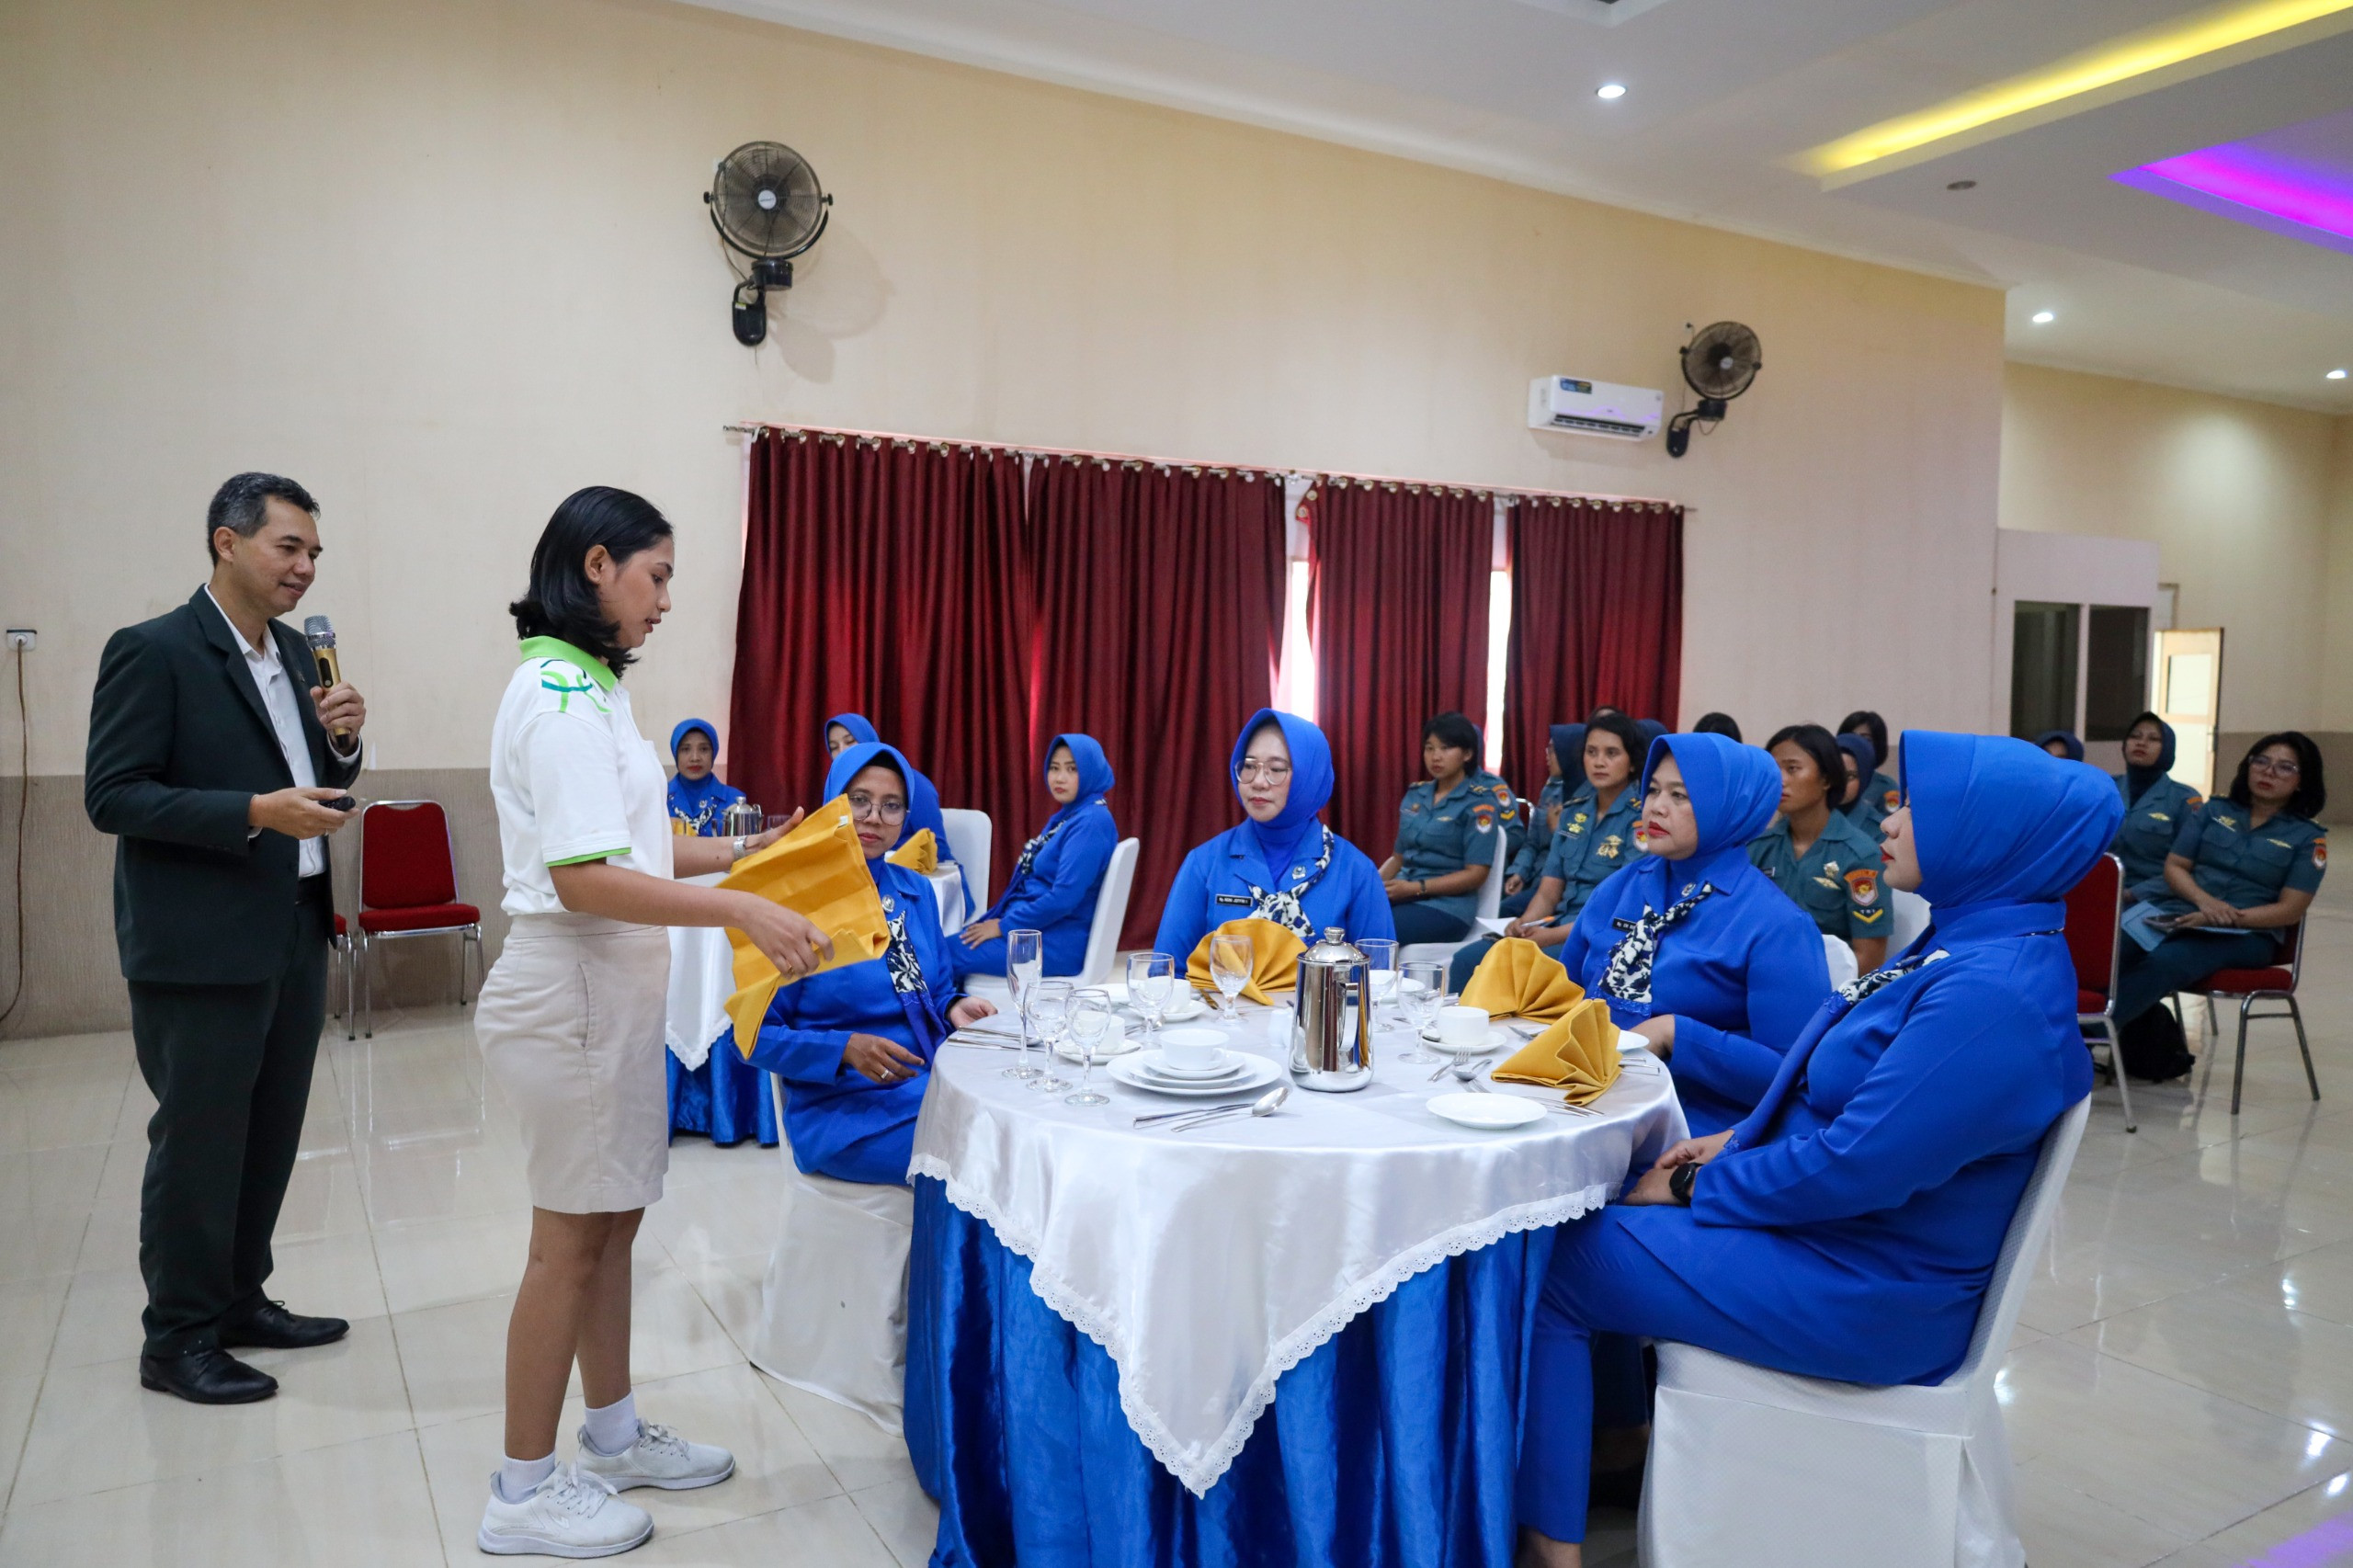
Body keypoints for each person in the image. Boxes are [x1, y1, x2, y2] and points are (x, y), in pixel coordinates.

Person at [1514, 733, 2120, 1563]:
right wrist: (1730, 1144)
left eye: (1917, 809)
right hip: (1848, 1240)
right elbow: (1842, 1108)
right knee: (1590, 1219)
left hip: (1871, 1286)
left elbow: (1855, 1166)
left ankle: (1550, 1545)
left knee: (1553, 1259)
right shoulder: (1969, 944)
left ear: (1987, 836)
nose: (1889, 822)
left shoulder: (1991, 993)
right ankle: (1606, 1452)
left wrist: (1695, 1188)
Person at [473, 486, 831, 1557]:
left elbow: (635, 841)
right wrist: (741, 909)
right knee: (568, 1243)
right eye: (657, 575)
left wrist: (754, 851)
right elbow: (584, 877)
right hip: (574, 986)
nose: (666, 599)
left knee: (612, 1224)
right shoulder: (557, 696)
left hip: (609, 989)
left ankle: (615, 1433)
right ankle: (522, 1490)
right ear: (597, 564)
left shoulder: (594, 685)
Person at [84, 472, 368, 1406]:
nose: (306, 566)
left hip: (292, 924)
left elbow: (313, 783)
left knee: (270, 1132)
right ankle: (176, 1338)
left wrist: (344, 744)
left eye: (314, 552)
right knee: (200, 1142)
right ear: (227, 542)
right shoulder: (155, 650)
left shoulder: (297, 653)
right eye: (289, 547)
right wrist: (252, 810)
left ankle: (241, 1300)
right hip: (199, 942)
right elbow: (113, 794)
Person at [1554, 732, 1832, 1136]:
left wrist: (1677, 1035)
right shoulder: (1622, 886)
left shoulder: (1777, 925)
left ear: (1730, 808)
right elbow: (1564, 995)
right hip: (1582, 1093)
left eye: (1680, 796)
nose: (1656, 807)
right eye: (1653, 790)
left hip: (1688, 1122)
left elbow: (1793, 1077)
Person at [746, 743, 998, 1180]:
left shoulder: (915, 891)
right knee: (979, 1161)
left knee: (1015, 1136)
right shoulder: (795, 902)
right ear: (833, 803)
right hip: (843, 1112)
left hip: (928, 1086)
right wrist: (843, 1049)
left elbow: (935, 990)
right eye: (859, 800)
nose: (874, 817)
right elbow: (753, 1038)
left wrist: (954, 1006)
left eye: (891, 805)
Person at [2111, 732, 2327, 1032]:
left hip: (2247, 934)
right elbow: (2175, 866)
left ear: (2302, 780)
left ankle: (2086, 1034)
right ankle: (2094, 1028)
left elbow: (2290, 910)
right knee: (2112, 948)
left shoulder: (2308, 838)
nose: (2268, 772)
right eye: (2261, 761)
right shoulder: (2214, 810)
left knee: (2167, 961)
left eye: (2285, 767)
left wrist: (2223, 917)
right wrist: (2205, 903)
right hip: (2180, 911)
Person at [1155, 710, 1394, 958]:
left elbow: (1379, 975)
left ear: (1310, 776)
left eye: (1276, 769)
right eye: (1249, 766)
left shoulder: (1355, 871)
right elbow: (1168, 969)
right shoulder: (1205, 862)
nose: (1258, 781)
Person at [1447, 712, 1645, 990]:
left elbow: (1621, 906)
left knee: (1518, 970)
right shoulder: (1573, 812)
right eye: (1591, 752)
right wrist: (1525, 924)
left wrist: (1550, 936)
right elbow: (1548, 891)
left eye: (1611, 753)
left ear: (1632, 761)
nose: (1599, 762)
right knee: (1466, 960)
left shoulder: (1640, 820)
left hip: (1601, 935)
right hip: (1557, 924)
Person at [953, 733, 1119, 980]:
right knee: (935, 949)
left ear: (1091, 771)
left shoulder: (1090, 824)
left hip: (1052, 942)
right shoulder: (1072, 815)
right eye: (1054, 768)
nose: (1059, 778)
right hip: (1036, 931)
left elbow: (1063, 898)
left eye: (1072, 769)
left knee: (939, 954)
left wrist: (1003, 926)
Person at [1749, 724, 1889, 974]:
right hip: (1762, 977)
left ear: (1826, 778)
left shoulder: (1859, 855)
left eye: (1792, 769)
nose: (1780, 780)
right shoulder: (1759, 848)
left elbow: (1869, 959)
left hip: (1831, 987)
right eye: (1773, 770)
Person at [1382, 711, 1512, 946]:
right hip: (1404, 893)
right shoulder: (1416, 794)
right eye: (1429, 748)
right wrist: (1369, 888)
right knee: (1347, 913)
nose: (1436, 757)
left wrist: (1415, 889)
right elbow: (1398, 858)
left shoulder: (1479, 803)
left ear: (1467, 754)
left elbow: (1476, 874)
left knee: (1377, 926)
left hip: (1447, 908)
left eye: (1445, 748)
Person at [2111, 711, 2203, 900]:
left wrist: (2133, 894)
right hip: (2101, 889)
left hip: (2156, 897)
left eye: (2153, 739)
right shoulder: (2107, 787)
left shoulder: (2185, 799)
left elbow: (2191, 866)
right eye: (2135, 736)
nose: (2141, 743)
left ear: (2167, 748)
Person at [1505, 723, 1586, 917]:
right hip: (1534, 877)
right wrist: (1519, 872)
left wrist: (1558, 830)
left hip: (1561, 887)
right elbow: (1532, 842)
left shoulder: (1589, 797)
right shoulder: (1550, 789)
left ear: (1570, 754)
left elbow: (1582, 859)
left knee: (1505, 911)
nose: (1547, 756)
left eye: (1553, 750)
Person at [665, 718, 745, 836]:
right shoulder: (660, 798)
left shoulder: (734, 799)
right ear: (676, 754)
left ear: (713, 753)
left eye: (704, 749)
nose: (695, 758)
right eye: (685, 749)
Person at [1839, 709, 1903, 821]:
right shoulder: (1827, 782)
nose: (1856, 743)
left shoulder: (1887, 788)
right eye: (1851, 736)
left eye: (1866, 739)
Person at [1836, 731, 1887, 837]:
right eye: (1834, 773)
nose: (1840, 782)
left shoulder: (1879, 830)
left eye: (1850, 776)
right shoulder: (1810, 819)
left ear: (1864, 778)